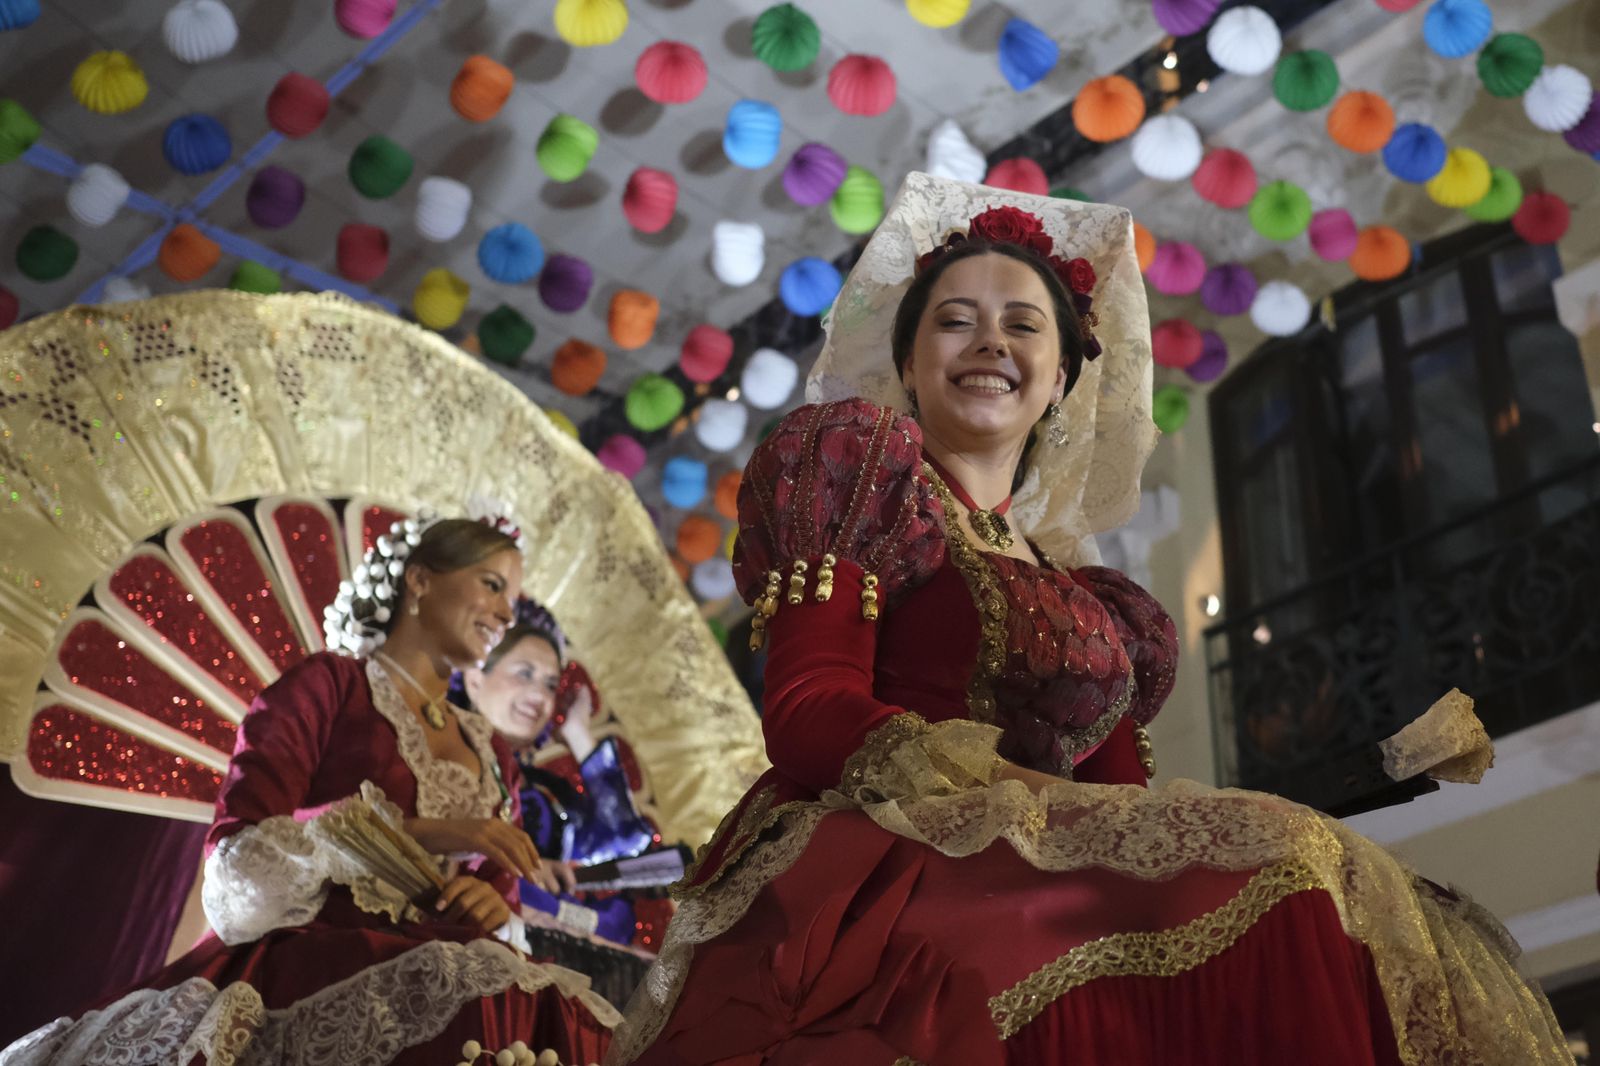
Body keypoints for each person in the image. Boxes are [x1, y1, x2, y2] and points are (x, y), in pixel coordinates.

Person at [606, 174, 1570, 1066]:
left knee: (1324, 880)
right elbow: (809, 709)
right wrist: (980, 782)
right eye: (956, 322)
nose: (990, 343)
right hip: (876, 868)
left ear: (1062, 376)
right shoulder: (858, 473)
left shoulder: (1087, 597)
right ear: (908, 360)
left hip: (1033, 869)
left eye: (1023, 325)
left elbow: (1123, 813)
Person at [2, 516, 616, 1066]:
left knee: (561, 1010)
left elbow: (496, 893)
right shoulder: (330, 687)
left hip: (452, 982)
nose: (508, 613)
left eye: (513, 595)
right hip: (313, 957)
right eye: (491, 584)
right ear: (421, 580)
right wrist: (423, 833)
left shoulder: (493, 752)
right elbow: (240, 859)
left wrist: (490, 908)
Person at [460, 605, 669, 1006]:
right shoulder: (450, 758)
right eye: (524, 674)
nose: (539, 694)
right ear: (474, 679)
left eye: (550, 683)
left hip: (577, 962)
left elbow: (629, 845)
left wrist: (577, 734)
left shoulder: (544, 790)